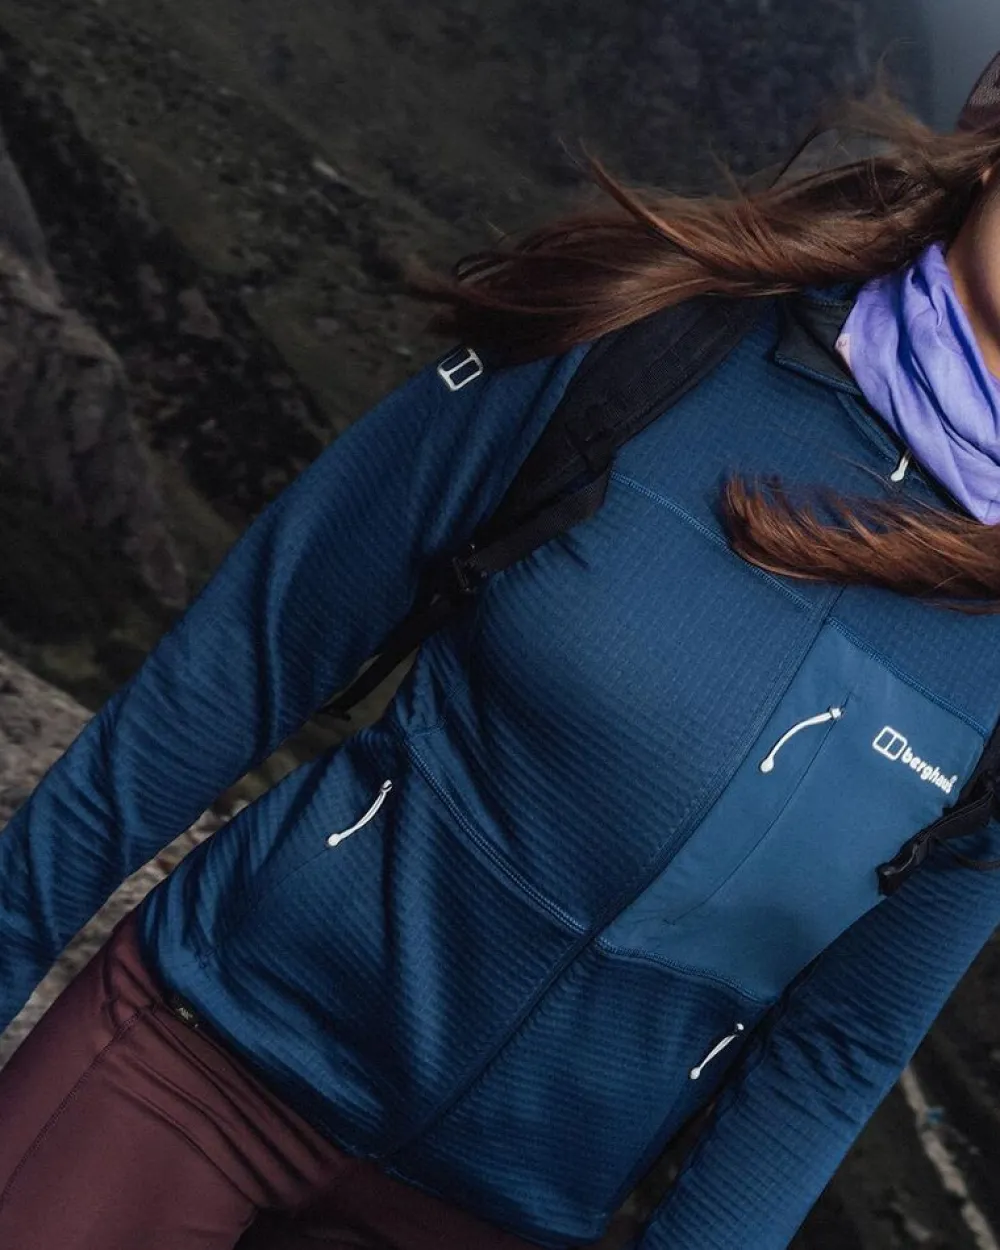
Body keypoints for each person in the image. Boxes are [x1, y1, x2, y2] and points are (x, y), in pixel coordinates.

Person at [3, 52, 1000, 1250]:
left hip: (501, 1214)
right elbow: (247, 655)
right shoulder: (655, 346)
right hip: (202, 1054)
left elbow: (841, 1043)